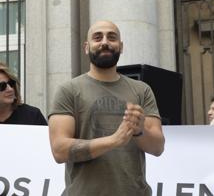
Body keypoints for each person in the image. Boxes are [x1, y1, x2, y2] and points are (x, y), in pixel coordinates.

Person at [48, 20, 165, 196]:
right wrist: (113, 141)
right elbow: (59, 149)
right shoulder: (68, 91)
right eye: (97, 37)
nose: (105, 42)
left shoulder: (142, 90)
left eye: (112, 37)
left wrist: (140, 131)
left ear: (121, 46)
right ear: (86, 47)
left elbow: (158, 148)